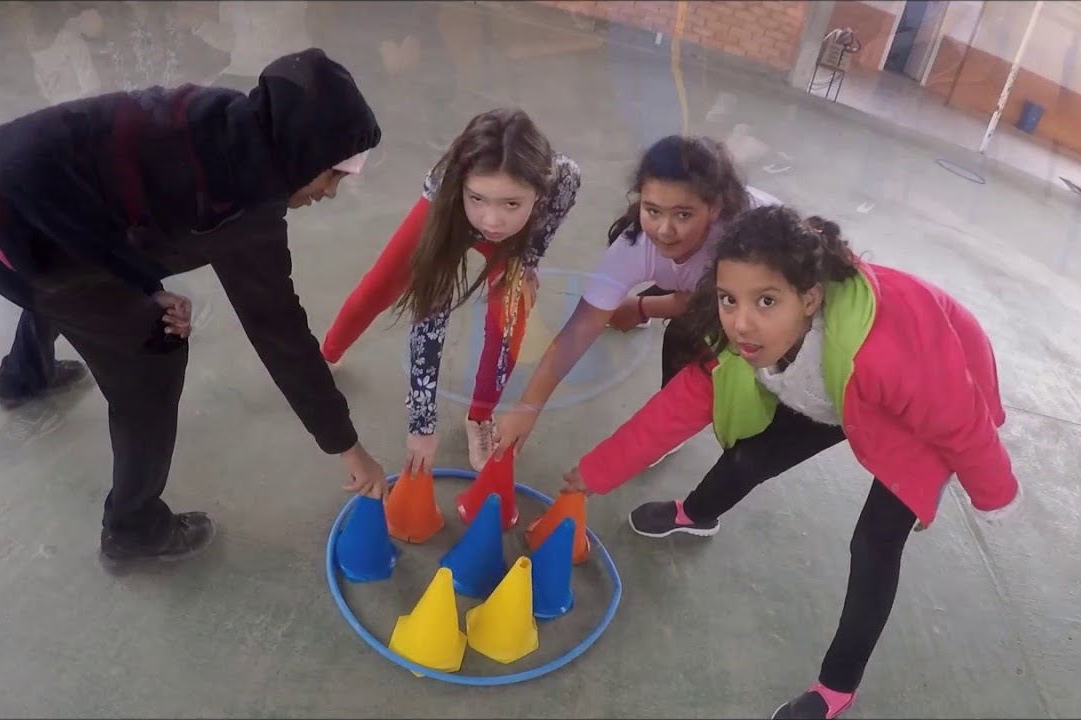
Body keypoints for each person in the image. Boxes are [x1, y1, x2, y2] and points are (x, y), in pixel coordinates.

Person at [557, 205, 1023, 719]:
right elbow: (673, 411)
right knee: (753, 453)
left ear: (809, 299)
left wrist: (993, 495)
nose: (741, 322)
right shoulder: (741, 337)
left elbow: (959, 419)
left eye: (766, 301)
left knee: (874, 542)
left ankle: (837, 686)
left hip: (933, 386)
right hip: (835, 384)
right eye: (728, 299)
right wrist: (594, 471)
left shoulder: (886, 353)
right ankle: (697, 512)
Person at [0, 48, 390, 565]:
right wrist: (348, 446)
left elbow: (122, 203)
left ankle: (24, 377)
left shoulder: (228, 120)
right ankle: (132, 529)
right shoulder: (244, 207)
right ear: (301, 152)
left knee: (85, 291)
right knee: (152, 354)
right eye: (331, 176)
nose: (331, 193)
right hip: (8, 233)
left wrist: (143, 284)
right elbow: (279, 332)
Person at [319, 108, 581, 472]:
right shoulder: (446, 188)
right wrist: (422, 425)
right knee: (380, 284)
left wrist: (529, 262)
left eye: (511, 203)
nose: (492, 220)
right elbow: (430, 321)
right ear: (462, 185)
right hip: (448, 220)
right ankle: (328, 352)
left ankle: (480, 417)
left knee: (510, 317)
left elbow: (543, 231)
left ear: (538, 192)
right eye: (478, 197)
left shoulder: (562, 179)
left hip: (514, 244)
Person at [493, 135, 777, 462]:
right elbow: (579, 331)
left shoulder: (739, 243)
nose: (664, 229)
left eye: (683, 215)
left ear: (713, 209)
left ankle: (669, 430)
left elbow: (705, 304)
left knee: (684, 333)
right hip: (701, 283)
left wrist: (643, 307)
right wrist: (527, 408)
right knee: (660, 284)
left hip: (751, 291)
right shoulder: (634, 246)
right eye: (652, 210)